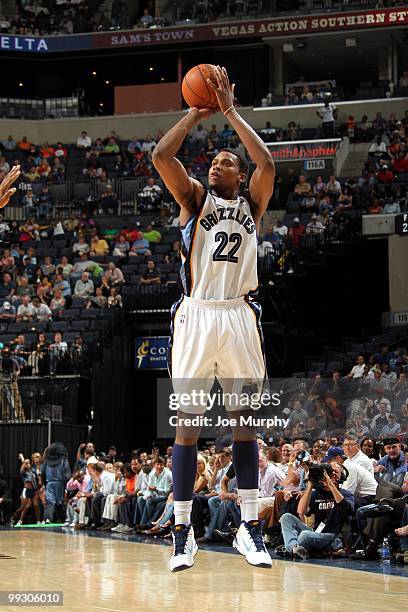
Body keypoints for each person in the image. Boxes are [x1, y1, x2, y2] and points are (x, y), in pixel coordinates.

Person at [152, 66, 275, 572]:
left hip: (240, 315)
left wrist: (229, 112)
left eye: (225, 162)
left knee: (244, 424)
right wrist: (193, 113)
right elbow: (161, 156)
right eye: (214, 160)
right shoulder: (193, 201)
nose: (215, 164)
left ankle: (249, 529)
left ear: (237, 176)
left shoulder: (253, 201)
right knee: (187, 428)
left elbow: (265, 160)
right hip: (199, 316)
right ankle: (182, 533)